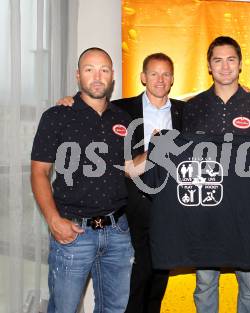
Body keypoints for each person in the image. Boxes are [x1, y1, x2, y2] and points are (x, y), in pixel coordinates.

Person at [56, 52, 185, 313]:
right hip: (130, 208)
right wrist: (69, 100)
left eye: (165, 74)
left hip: (172, 206)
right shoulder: (123, 109)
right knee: (130, 283)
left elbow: (211, 111)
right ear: (142, 77)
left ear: (172, 79)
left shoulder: (186, 111)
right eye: (153, 73)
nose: (160, 80)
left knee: (159, 277)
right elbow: (93, 99)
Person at [31, 47, 146, 313]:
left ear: (112, 76)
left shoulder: (123, 119)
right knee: (64, 308)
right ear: (78, 75)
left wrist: (157, 150)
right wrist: (53, 220)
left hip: (117, 232)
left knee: (114, 309)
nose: (97, 76)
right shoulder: (57, 115)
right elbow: (39, 172)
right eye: (90, 69)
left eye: (104, 70)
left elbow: (130, 169)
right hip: (73, 232)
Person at [181, 36, 250, 313]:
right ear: (209, 66)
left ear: (241, 64)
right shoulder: (192, 107)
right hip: (205, 206)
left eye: (231, 59)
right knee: (205, 282)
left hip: (246, 209)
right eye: (218, 60)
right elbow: (185, 163)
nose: (225, 66)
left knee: (249, 282)